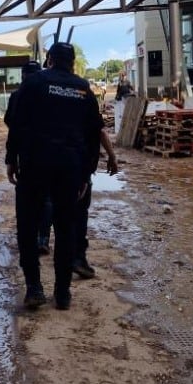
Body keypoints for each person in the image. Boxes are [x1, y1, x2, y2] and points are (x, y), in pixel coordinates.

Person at [5, 42, 102, 311]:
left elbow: (17, 124)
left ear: (49, 60)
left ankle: (34, 288)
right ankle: (62, 293)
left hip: (35, 164)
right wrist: (86, 173)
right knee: (66, 227)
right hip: (69, 168)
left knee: (27, 225)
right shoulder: (83, 89)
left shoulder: (33, 84)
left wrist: (11, 159)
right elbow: (93, 135)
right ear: (72, 63)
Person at [4, 60, 53, 255]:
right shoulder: (51, 93)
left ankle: (29, 239)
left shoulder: (17, 96)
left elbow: (11, 125)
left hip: (27, 155)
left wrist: (11, 159)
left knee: (28, 198)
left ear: (22, 76)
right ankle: (43, 238)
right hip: (51, 154)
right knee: (48, 198)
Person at [71, 111, 118, 279]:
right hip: (81, 168)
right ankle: (78, 258)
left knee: (58, 211)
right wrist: (112, 157)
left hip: (56, 164)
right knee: (80, 214)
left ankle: (44, 241)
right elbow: (101, 132)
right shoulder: (84, 101)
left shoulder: (50, 101)